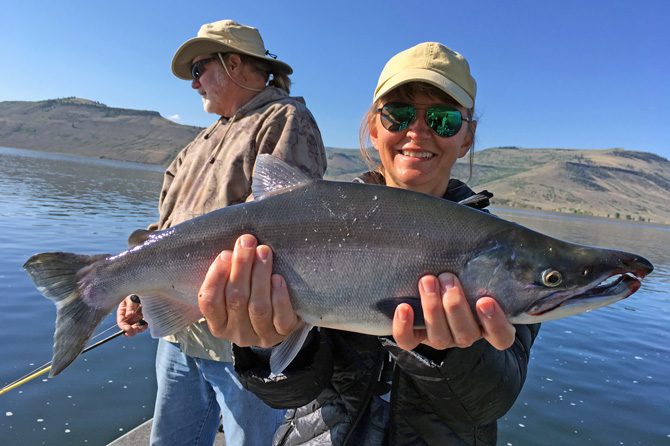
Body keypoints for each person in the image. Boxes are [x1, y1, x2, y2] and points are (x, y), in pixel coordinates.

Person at [196, 42, 540, 445]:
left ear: (466, 138)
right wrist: (260, 346)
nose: (418, 130)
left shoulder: (505, 255)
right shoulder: (317, 218)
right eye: (398, 114)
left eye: (444, 119)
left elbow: (492, 400)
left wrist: (449, 354)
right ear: (374, 129)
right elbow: (292, 394)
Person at [116, 20, 327, 446]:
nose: (194, 85)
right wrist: (138, 289)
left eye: (199, 70)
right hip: (178, 337)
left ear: (233, 64)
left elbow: (285, 225)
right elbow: (165, 228)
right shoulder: (194, 146)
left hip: (241, 338)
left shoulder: (286, 118)